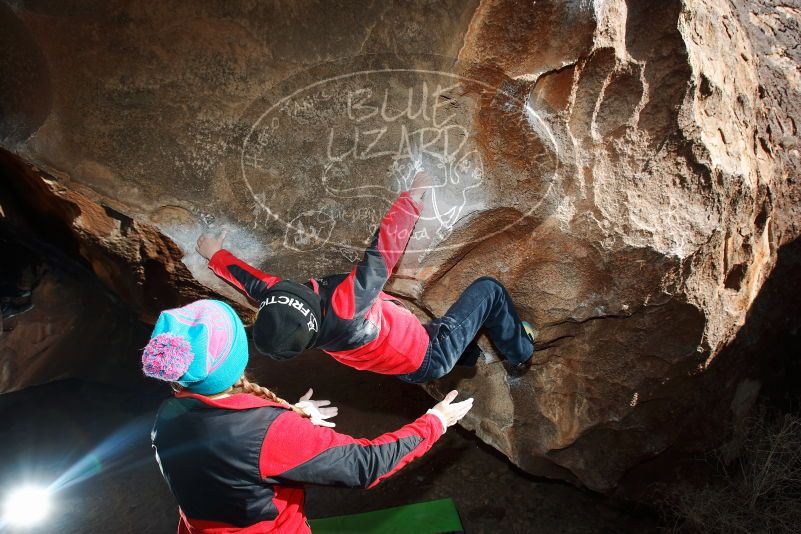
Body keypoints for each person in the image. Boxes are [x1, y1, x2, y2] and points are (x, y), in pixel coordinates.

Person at [143, 299, 473, 533]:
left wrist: (292, 414)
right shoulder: (265, 432)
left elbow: (230, 450)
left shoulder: (169, 415)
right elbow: (364, 465)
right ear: (236, 357)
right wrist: (436, 421)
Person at [196, 171, 536, 383]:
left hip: (401, 365)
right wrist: (412, 198)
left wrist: (215, 255)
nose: (292, 286)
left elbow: (254, 283)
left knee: (454, 338)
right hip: (430, 354)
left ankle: (475, 356)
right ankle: (519, 355)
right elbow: (382, 255)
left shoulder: (296, 324)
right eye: (298, 292)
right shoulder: (346, 308)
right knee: (487, 291)